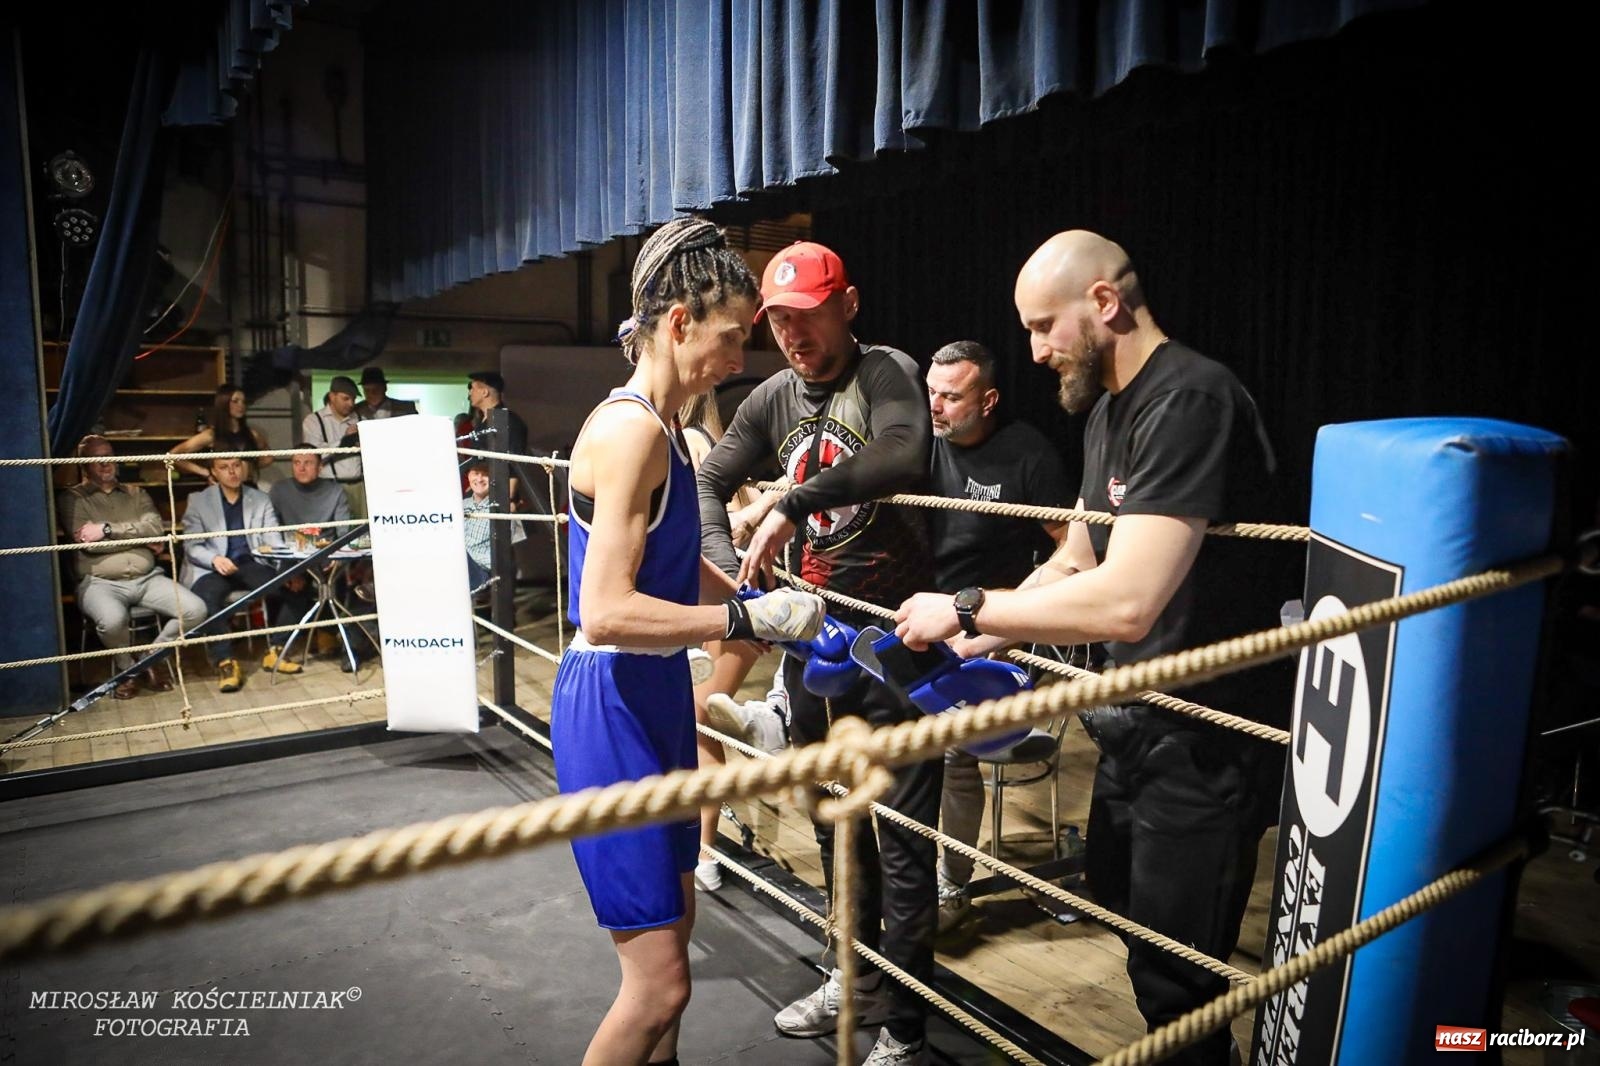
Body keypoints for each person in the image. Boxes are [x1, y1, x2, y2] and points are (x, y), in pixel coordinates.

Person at [894, 230, 1289, 1066]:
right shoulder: (1111, 409)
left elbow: (1129, 601)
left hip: (1204, 733)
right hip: (1131, 725)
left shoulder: (1189, 399)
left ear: (1104, 302)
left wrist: (967, 606)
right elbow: (1075, 558)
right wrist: (976, 639)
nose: (1036, 352)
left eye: (1045, 327)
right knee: (1118, 900)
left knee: (1179, 980)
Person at [549, 217, 824, 1066]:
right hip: (613, 700)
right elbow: (605, 611)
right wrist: (740, 623)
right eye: (732, 335)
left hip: (658, 691)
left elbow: (672, 560)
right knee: (659, 986)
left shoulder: (669, 428)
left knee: (674, 949)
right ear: (679, 323)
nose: (741, 356)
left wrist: (756, 600)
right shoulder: (629, 429)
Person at [697, 240, 940, 1065]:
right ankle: (854, 978)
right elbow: (707, 479)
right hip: (815, 648)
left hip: (896, 646)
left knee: (902, 844)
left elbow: (904, 451)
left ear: (849, 305)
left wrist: (792, 502)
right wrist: (736, 581)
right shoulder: (772, 395)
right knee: (836, 827)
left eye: (808, 317)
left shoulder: (886, 373)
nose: (793, 336)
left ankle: (906, 1029)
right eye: (779, 322)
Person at [921, 340, 1073, 932]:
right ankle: (907, 877)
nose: (936, 407)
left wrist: (996, 626)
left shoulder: (1027, 453)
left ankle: (951, 887)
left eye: (951, 397)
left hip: (987, 633)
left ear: (987, 401)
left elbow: (1073, 551)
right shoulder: (918, 439)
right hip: (915, 617)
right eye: (931, 393)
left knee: (954, 756)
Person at [677, 389, 789, 892]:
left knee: (698, 720)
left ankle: (704, 851)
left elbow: (704, 533)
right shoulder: (712, 446)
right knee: (697, 721)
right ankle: (700, 842)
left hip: (728, 605)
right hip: (727, 604)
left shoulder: (692, 444)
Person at [58, 434, 207, 698]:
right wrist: (138, 539)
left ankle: (149, 658)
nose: (105, 463)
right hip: (100, 583)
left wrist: (106, 530)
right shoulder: (74, 499)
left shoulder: (137, 493)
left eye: (109, 456)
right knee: (113, 621)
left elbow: (155, 529)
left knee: (196, 610)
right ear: (84, 464)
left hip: (147, 578)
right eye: (96, 459)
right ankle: (127, 670)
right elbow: (90, 545)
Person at [180, 456, 302, 692]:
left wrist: (286, 569)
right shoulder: (198, 500)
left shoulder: (260, 499)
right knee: (205, 600)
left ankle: (277, 650)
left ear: (244, 468)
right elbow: (192, 545)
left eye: (236, 465)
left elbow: (274, 540)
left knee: (295, 586)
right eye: (224, 467)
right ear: (214, 472)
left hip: (250, 563)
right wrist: (215, 559)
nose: (232, 472)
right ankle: (225, 662)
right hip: (213, 566)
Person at [269, 445, 354, 663]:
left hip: (326, 552)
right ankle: (278, 646)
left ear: (320, 466)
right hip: (292, 553)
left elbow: (344, 531)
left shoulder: (335, 491)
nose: (301, 468)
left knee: (335, 575)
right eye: (296, 463)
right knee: (294, 583)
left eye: (307, 463)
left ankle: (326, 633)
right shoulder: (279, 490)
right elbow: (271, 530)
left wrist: (337, 555)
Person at [169, 383, 274, 483]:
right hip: (222, 488)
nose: (241, 405)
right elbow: (174, 455)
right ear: (224, 403)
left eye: (243, 401)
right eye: (235, 401)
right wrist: (205, 473)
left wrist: (249, 467)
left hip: (248, 487)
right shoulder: (212, 435)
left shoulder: (252, 434)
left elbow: (268, 457)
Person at [301, 375, 365, 517]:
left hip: (360, 487)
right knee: (334, 527)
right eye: (346, 398)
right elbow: (312, 455)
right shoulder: (313, 421)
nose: (351, 403)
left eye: (353, 399)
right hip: (329, 487)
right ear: (332, 396)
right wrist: (344, 442)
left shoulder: (361, 420)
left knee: (362, 528)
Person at [467, 369, 530, 503]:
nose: (469, 393)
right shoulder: (481, 422)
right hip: (481, 492)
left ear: (484, 392)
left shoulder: (509, 421)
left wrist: (508, 497)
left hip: (498, 496)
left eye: (472, 388)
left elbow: (515, 460)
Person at [355, 366, 419, 419]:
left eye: (376, 389)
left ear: (384, 388)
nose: (372, 394)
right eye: (367, 390)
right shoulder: (356, 410)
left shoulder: (406, 408)